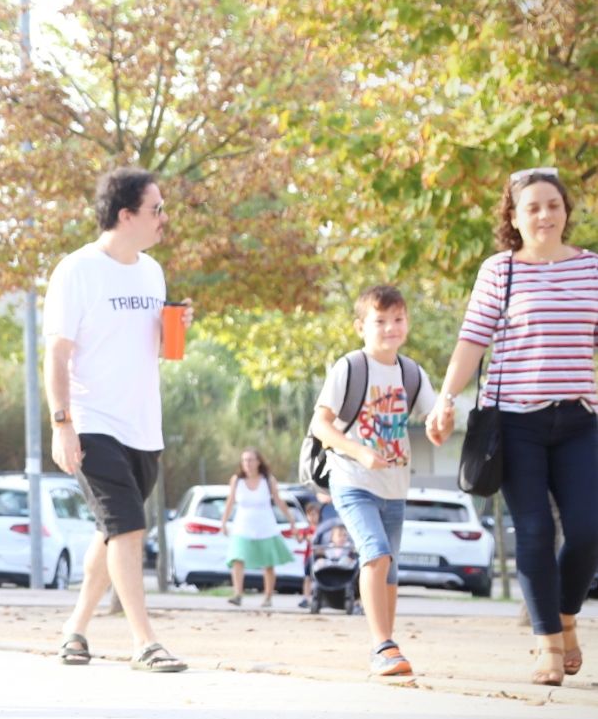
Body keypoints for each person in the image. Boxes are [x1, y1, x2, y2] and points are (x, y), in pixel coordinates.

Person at [427, 167, 598, 686]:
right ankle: (549, 643)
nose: (545, 215)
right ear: (514, 217)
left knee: (590, 530)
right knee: (535, 529)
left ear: (566, 211)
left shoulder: (591, 269)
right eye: (532, 207)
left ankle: (567, 615)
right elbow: (473, 340)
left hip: (579, 419)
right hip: (514, 423)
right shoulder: (501, 271)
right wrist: (445, 399)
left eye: (553, 204)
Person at [45, 168, 190, 673]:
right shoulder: (77, 270)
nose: (163, 218)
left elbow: (153, 350)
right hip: (92, 421)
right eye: (156, 209)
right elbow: (57, 354)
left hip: (143, 426)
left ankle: (75, 630)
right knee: (129, 529)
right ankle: (144, 641)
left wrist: (175, 330)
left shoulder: (152, 271)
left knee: (110, 532)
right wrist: (62, 423)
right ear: (126, 215)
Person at [310, 284, 435, 677]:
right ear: (360, 326)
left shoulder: (412, 373)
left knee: (390, 569)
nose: (390, 328)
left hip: (395, 486)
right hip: (351, 479)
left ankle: (384, 645)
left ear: (407, 324)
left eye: (397, 319)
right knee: (376, 552)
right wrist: (359, 451)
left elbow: (434, 424)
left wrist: (442, 421)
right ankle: (384, 646)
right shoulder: (350, 367)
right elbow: (320, 424)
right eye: (379, 321)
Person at [221, 449, 296, 608]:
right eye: (244, 460)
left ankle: (268, 596)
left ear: (258, 462)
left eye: (250, 460)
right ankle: (238, 593)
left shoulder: (268, 480)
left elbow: (278, 500)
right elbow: (229, 502)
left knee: (268, 562)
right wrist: (224, 522)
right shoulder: (237, 481)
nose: (247, 463)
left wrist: (291, 519)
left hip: (265, 526)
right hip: (242, 526)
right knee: (237, 559)